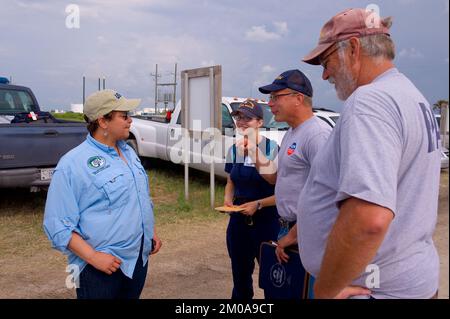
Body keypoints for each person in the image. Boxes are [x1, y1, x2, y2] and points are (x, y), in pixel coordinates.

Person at [298, 8, 441, 299]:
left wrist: (325, 290)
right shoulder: (411, 96)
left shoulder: (370, 101)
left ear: (352, 49)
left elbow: (368, 218)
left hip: (375, 291)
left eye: (326, 61)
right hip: (408, 284)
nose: (325, 74)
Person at [43, 89, 162, 299]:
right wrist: (94, 257)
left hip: (137, 261)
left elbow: (137, 198)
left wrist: (148, 233)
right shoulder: (72, 164)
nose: (130, 121)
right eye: (123, 116)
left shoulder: (128, 152)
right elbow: (57, 224)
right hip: (99, 270)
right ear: (103, 122)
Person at [257, 70, 332, 298]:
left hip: (306, 233)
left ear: (299, 98)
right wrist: (252, 150)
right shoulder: (292, 132)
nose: (270, 104)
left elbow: (328, 198)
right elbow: (277, 178)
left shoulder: (317, 135)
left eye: (276, 97)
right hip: (287, 229)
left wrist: (292, 236)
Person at [223, 99, 280, 299]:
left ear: (260, 122)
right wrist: (228, 202)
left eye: (248, 118)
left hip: (266, 221)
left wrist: (258, 204)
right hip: (238, 221)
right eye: (239, 117)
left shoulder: (271, 148)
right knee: (240, 279)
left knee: (272, 280)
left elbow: (282, 190)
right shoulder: (234, 148)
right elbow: (231, 181)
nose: (242, 122)